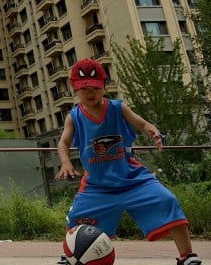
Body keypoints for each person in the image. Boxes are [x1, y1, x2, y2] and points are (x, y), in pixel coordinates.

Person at [56, 58, 201, 265]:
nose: (90, 93)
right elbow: (63, 143)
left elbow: (143, 124)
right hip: (98, 185)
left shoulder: (117, 108)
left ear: (104, 86)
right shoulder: (74, 117)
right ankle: (71, 254)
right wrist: (65, 162)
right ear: (75, 88)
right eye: (84, 89)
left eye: (95, 88)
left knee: (167, 200)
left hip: (132, 179)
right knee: (77, 217)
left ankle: (187, 256)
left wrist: (154, 133)